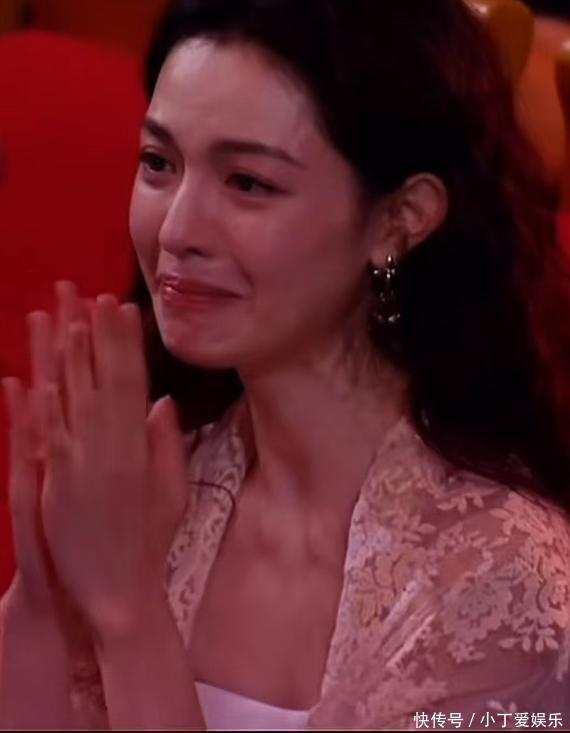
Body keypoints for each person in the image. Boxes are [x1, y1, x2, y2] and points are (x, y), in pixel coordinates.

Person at [1, 0, 570, 729]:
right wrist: (45, 584)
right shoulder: (155, 485)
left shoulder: (503, 583)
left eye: (248, 183)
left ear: (401, 219)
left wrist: (127, 608)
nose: (176, 230)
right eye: (159, 164)